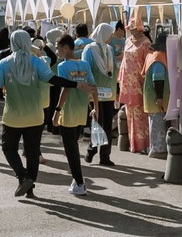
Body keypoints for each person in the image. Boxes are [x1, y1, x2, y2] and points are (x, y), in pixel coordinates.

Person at [0, 29, 62, 198]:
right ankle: (29, 188)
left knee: (8, 148)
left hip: (13, 117)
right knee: (32, 152)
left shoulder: (4, 63)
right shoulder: (37, 61)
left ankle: (22, 176)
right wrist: (75, 84)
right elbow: (53, 79)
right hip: (35, 115)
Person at [52, 36, 94, 195]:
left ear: (65, 48)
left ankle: (80, 182)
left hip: (68, 110)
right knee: (73, 146)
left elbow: (66, 88)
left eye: (58, 48)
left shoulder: (62, 66)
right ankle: (77, 181)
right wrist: (94, 107)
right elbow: (92, 86)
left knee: (71, 149)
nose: (56, 51)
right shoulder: (85, 64)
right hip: (81, 110)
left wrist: (57, 110)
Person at [84, 22, 119, 166]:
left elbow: (114, 69)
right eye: (109, 34)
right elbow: (86, 69)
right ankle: (92, 149)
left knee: (107, 126)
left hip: (109, 93)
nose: (111, 37)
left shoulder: (109, 49)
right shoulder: (89, 49)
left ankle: (105, 156)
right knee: (97, 123)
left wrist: (116, 91)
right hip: (95, 93)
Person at [119, 13, 150, 154]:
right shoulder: (127, 41)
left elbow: (147, 64)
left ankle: (143, 144)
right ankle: (133, 144)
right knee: (129, 113)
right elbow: (124, 62)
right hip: (127, 84)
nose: (130, 30)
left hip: (139, 83)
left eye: (132, 28)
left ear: (139, 28)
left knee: (140, 115)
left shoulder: (146, 43)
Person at [142, 35, 171, 156]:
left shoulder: (153, 55)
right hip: (155, 97)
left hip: (151, 95)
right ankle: (157, 150)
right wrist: (160, 97)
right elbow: (157, 79)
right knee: (157, 124)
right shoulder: (159, 57)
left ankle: (155, 148)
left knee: (155, 123)